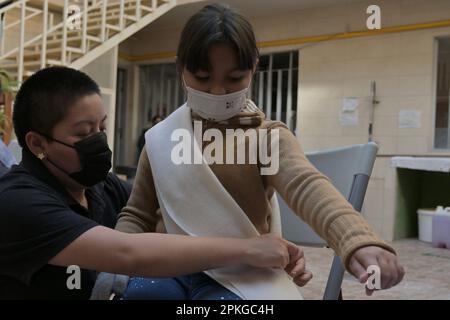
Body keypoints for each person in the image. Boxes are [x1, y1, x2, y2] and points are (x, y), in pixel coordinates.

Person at [96, 3, 404, 300]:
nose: (218, 91)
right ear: (181, 68)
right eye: (203, 78)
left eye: (234, 78)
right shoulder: (161, 138)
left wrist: (357, 239)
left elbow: (307, 186)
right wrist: (118, 261)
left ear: (254, 68)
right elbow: (137, 214)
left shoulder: (267, 137)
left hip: (242, 269)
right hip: (168, 266)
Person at [0, 67, 307, 300]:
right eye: (82, 134)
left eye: (102, 128)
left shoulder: (101, 188)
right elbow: (128, 253)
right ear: (37, 143)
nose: (98, 140)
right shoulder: (18, 203)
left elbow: (171, 215)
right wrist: (247, 249)